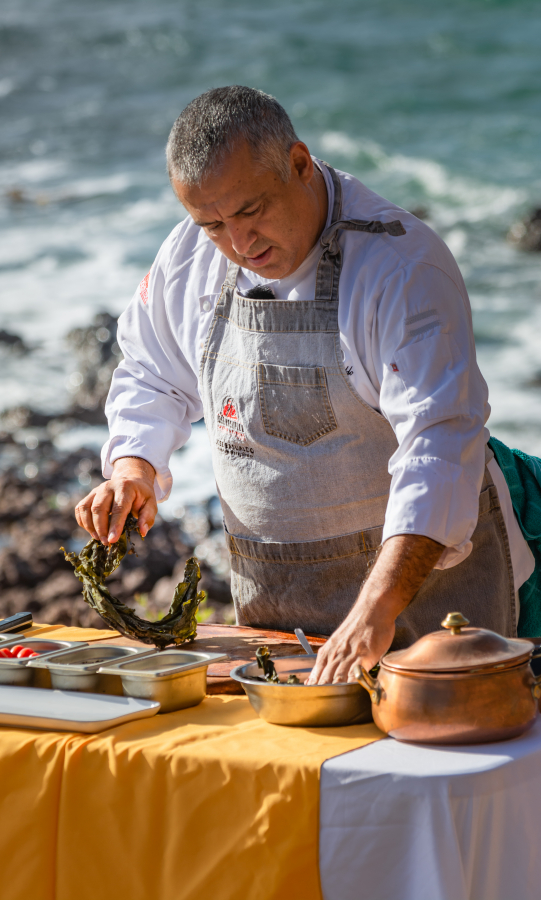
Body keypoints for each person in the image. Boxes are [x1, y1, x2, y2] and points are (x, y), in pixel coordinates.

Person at [75, 86, 534, 685]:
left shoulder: (400, 268)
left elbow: (439, 444)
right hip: (274, 609)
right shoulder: (190, 256)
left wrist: (377, 609)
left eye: (250, 211)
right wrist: (133, 465)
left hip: (428, 608)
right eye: (212, 224)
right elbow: (150, 369)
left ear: (298, 162)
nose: (239, 244)